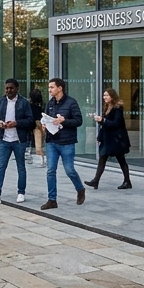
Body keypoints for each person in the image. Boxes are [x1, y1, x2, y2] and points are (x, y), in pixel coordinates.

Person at [38, 77, 86, 210]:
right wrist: (44, 124)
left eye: (52, 87)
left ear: (60, 88)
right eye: (49, 87)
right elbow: (46, 118)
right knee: (50, 170)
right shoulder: (50, 103)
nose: (50, 90)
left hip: (66, 142)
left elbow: (78, 121)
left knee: (69, 170)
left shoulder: (71, 103)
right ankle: (52, 199)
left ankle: (80, 189)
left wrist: (64, 121)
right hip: (52, 141)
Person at [0, 78, 34, 204]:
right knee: (1, 166)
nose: (8, 90)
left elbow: (30, 120)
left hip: (19, 140)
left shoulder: (24, 102)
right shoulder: (1, 101)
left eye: (11, 88)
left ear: (17, 89)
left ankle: (21, 192)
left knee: (21, 167)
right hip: (4, 139)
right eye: (7, 88)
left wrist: (16, 123)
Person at [86, 88, 131, 190]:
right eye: (104, 95)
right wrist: (100, 136)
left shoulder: (117, 108)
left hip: (116, 139)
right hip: (108, 138)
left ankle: (127, 181)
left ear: (112, 96)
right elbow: (104, 125)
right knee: (102, 158)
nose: (104, 97)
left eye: (106, 95)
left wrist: (103, 120)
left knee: (121, 159)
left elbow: (116, 123)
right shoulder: (107, 107)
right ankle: (96, 181)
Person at [28, 86, 45, 166]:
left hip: (30, 126)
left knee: (31, 143)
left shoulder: (29, 106)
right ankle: (41, 159)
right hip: (38, 127)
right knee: (39, 144)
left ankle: (31, 157)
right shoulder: (40, 107)